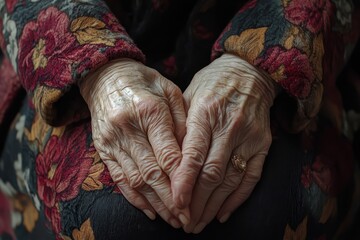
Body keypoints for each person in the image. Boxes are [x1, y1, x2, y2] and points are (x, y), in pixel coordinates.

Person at [0, 0, 359, 239]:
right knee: (113, 219)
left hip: (279, 60)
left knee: (271, 208)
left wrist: (258, 70)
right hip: (76, 62)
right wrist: (101, 75)